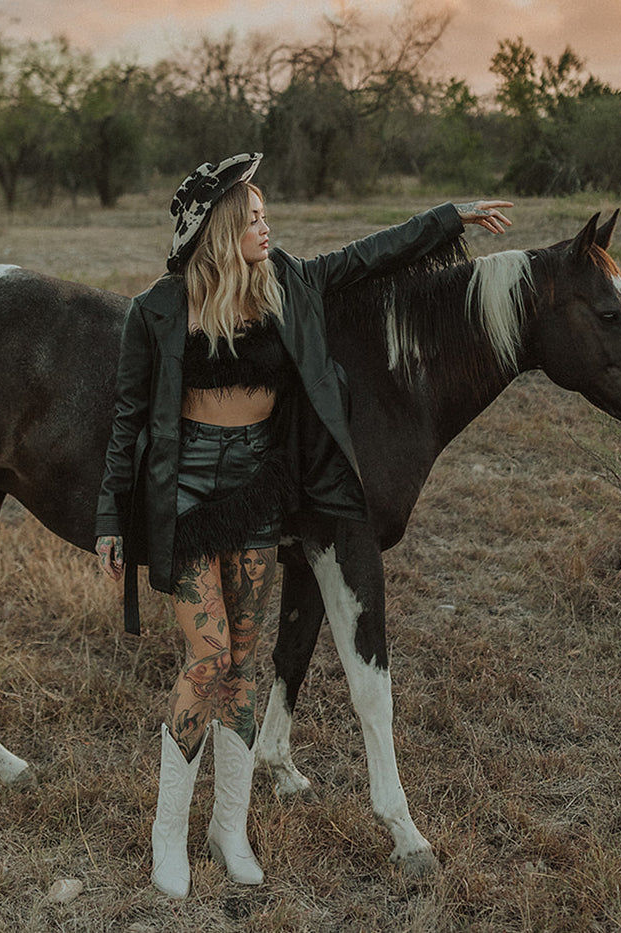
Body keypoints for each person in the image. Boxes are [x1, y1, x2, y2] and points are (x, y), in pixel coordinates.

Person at [95, 152, 511, 899]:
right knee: (206, 661)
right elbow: (128, 420)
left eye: (264, 214)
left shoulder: (286, 282)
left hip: (261, 496)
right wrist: (108, 518)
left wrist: (450, 218)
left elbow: (370, 255)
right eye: (252, 216)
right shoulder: (156, 310)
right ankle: (168, 833)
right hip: (187, 504)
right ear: (222, 229)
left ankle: (229, 827)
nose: (265, 224)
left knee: (245, 666)